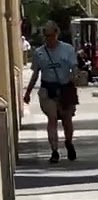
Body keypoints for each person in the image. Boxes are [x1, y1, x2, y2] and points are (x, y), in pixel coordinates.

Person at [23, 22, 78, 163]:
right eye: (46, 36)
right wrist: (28, 92)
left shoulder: (67, 49)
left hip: (65, 88)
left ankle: (69, 142)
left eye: (51, 35)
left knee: (67, 119)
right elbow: (35, 74)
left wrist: (73, 79)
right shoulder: (39, 53)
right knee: (52, 118)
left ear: (56, 34)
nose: (49, 39)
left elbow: (74, 69)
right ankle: (54, 150)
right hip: (48, 89)